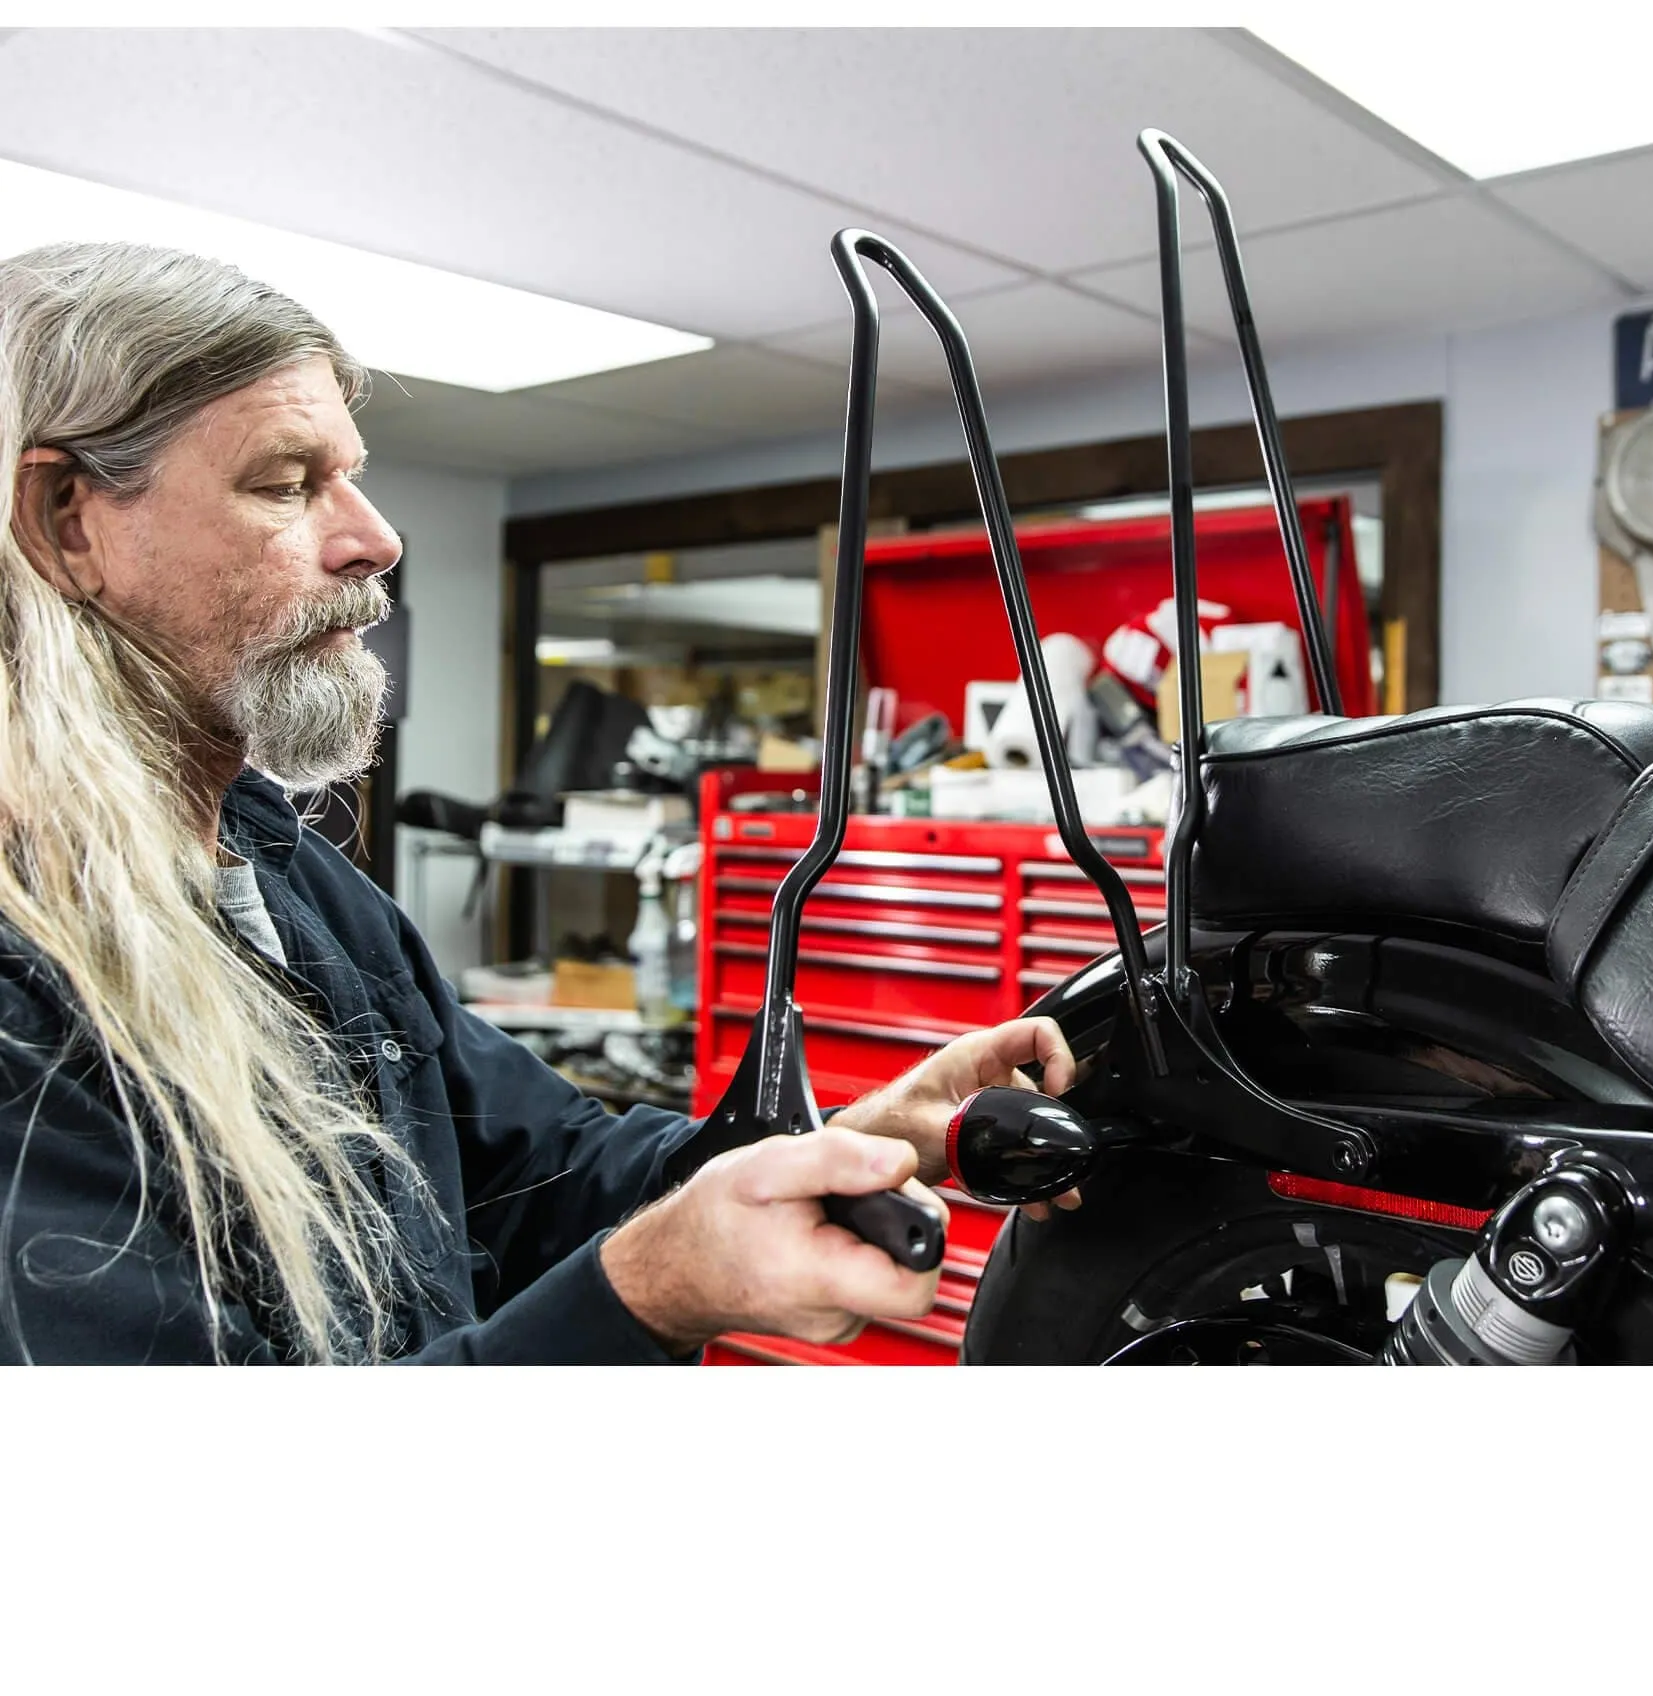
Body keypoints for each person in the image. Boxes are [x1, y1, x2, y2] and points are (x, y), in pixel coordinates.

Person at [0, 241, 1077, 1365]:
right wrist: (647, 1291)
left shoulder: (282, 866)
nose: (376, 537)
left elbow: (534, 1169)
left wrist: (830, 1144)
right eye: (283, 483)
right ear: (68, 515)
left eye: (349, 474)